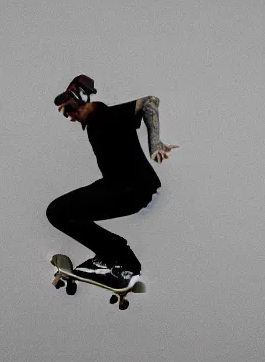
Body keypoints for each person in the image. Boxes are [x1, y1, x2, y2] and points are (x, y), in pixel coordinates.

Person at [46, 75, 178, 291]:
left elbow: (149, 102)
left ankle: (116, 258)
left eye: (69, 109)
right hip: (121, 188)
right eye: (64, 113)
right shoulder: (94, 126)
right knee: (63, 212)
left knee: (57, 211)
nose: (68, 116)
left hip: (133, 187)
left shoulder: (107, 115)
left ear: (80, 98)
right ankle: (115, 261)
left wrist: (155, 144)